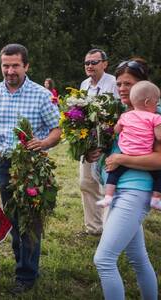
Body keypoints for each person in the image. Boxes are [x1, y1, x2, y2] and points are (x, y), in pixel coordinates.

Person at [0, 44, 60, 294]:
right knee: (13, 216)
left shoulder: (40, 95)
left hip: (33, 165)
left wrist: (43, 143)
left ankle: (26, 274)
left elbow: (57, 129)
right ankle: (23, 262)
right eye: (6, 65)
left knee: (31, 220)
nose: (10, 70)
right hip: (5, 164)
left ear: (26, 66)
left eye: (15, 65)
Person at [92, 58, 158, 300]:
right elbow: (119, 148)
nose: (121, 88)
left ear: (143, 85)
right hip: (120, 189)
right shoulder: (125, 114)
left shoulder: (155, 115)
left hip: (136, 190)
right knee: (138, 258)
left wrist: (120, 160)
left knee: (104, 259)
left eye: (128, 84)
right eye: (118, 83)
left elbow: (159, 160)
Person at [97, 81, 161, 210]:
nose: (157, 105)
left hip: (125, 152)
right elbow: (159, 136)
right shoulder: (155, 117)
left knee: (113, 173)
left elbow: (116, 130)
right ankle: (155, 199)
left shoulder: (126, 116)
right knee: (159, 176)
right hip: (144, 154)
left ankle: (108, 196)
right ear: (148, 102)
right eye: (156, 102)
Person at [79, 48, 119, 236]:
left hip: (110, 144)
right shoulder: (84, 84)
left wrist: (104, 144)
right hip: (88, 144)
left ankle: (111, 229)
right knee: (86, 183)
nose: (89, 66)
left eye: (94, 62)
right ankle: (94, 227)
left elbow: (119, 115)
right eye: (87, 62)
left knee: (108, 187)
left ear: (105, 63)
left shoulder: (114, 83)